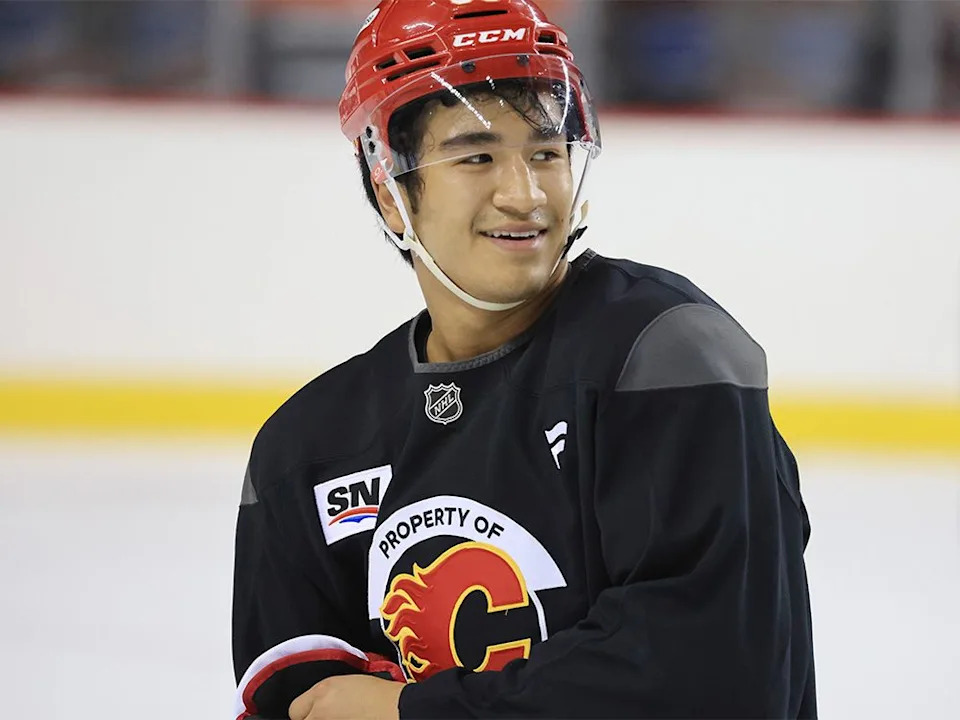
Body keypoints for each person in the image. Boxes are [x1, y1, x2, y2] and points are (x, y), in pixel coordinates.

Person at [231, 1, 817, 718]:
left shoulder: (663, 359)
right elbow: (300, 703)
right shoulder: (308, 452)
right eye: (476, 156)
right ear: (390, 193)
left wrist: (404, 710)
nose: (526, 194)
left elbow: (715, 678)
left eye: (545, 152)